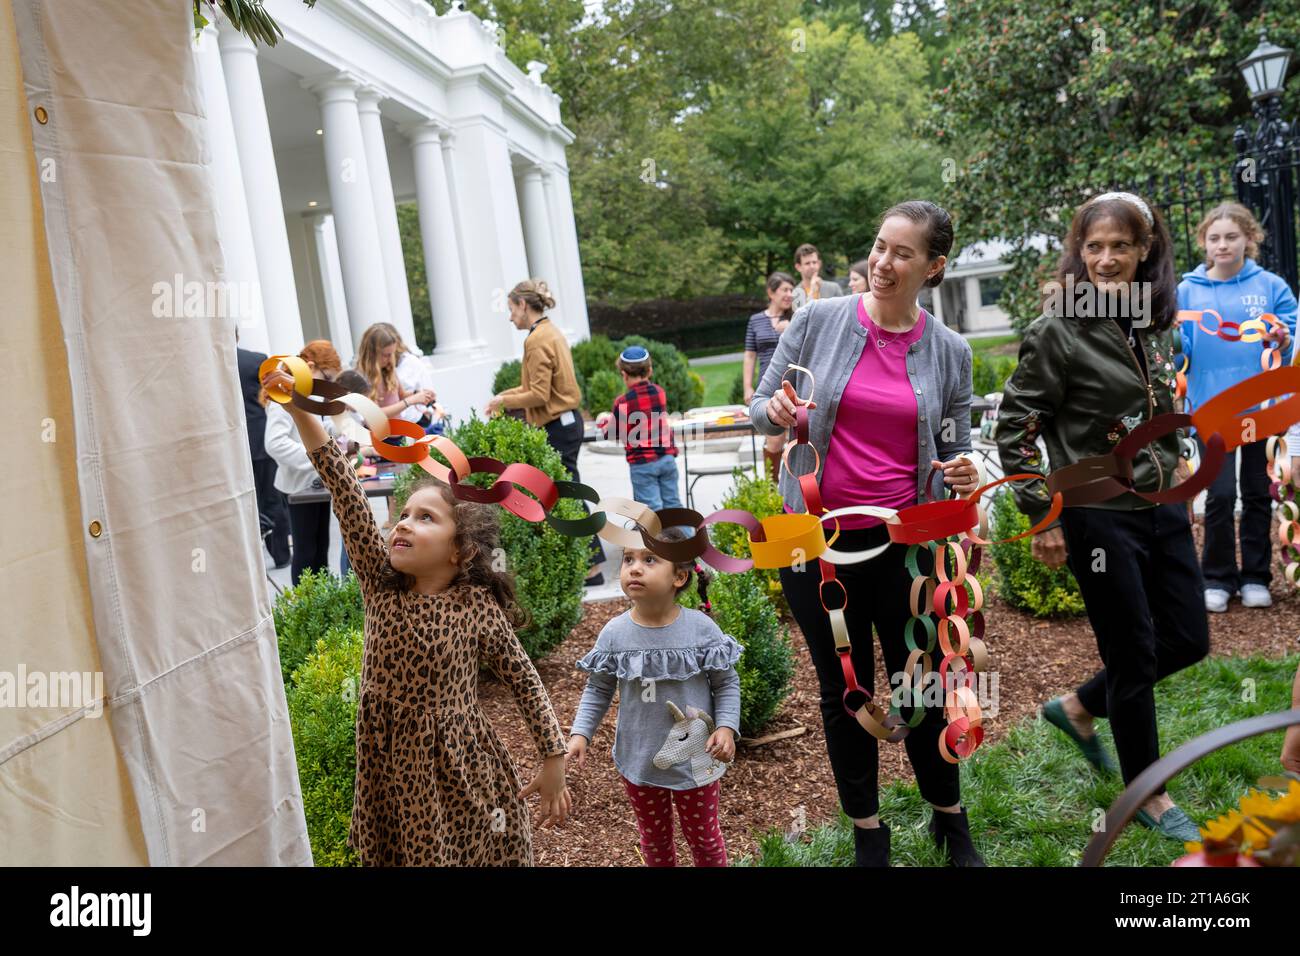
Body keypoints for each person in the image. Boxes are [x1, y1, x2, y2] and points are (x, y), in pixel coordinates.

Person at [260, 362, 572, 865]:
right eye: (403, 515)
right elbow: (343, 485)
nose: (402, 524)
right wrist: (299, 406)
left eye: (424, 518)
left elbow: (524, 679)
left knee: (475, 851)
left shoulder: (475, 608)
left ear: (461, 551)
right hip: (391, 767)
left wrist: (552, 756)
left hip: (463, 767)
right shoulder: (383, 586)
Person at [750, 200, 984, 867]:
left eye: (902, 254)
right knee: (843, 689)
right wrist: (772, 410)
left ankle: (949, 817)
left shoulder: (950, 351)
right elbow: (760, 414)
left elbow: (952, 445)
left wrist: (964, 469)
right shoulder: (818, 322)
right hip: (814, 545)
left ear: (934, 267)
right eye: (880, 247)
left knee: (924, 683)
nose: (883, 263)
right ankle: (868, 832)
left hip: (907, 545)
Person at [996, 190, 1209, 843]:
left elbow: (1154, 400)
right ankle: (1148, 793)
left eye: (1121, 246)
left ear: (1145, 250)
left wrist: (1174, 459)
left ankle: (1079, 706)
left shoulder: (1146, 318)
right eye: (1094, 247)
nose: (1107, 260)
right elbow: (1014, 429)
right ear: (1078, 253)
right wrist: (1044, 514)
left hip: (1156, 503)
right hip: (1095, 511)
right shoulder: (1059, 328)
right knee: (1134, 653)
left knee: (1188, 640)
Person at [567, 528, 741, 867]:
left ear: (679, 576)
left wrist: (726, 727)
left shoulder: (701, 630)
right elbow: (598, 688)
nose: (634, 568)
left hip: (697, 763)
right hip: (640, 761)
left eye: (649, 560)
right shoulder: (615, 633)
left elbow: (726, 683)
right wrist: (580, 732)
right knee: (655, 841)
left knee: (704, 838)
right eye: (628, 559)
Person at [1177, 202, 1296, 613]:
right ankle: (1218, 577)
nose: (1223, 245)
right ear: (1204, 243)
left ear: (1250, 238)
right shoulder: (1187, 290)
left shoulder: (1270, 286)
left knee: (1260, 492)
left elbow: (1291, 334)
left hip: (1263, 406)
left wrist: (1281, 339)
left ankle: (1255, 577)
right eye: (1215, 238)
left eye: (1231, 237)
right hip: (1213, 408)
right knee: (1221, 494)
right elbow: (1180, 351)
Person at [486, 278, 606, 585]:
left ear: (523, 305)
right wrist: (505, 397)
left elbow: (538, 395)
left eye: (511, 309)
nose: (510, 315)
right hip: (567, 421)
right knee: (566, 493)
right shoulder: (549, 331)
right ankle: (588, 564)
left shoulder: (536, 340)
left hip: (558, 426)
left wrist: (504, 401)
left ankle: (592, 567)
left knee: (567, 494)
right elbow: (533, 388)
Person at [263, 340, 343, 586]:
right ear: (309, 366)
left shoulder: (309, 395)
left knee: (321, 548)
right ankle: (306, 606)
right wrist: (315, 456)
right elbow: (274, 443)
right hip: (298, 487)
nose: (328, 383)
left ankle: (323, 603)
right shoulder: (283, 398)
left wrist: (337, 428)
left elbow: (317, 427)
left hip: (315, 483)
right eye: (326, 376)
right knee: (306, 552)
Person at [595, 346, 682, 512]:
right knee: (674, 508)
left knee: (652, 513)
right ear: (649, 371)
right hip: (666, 458)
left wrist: (604, 422)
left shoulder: (623, 402)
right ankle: (687, 538)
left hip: (642, 464)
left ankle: (657, 539)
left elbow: (611, 432)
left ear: (624, 374)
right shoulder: (659, 392)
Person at [236, 331, 289, 568]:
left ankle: (252, 555)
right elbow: (272, 394)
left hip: (236, 442)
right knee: (271, 497)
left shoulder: (213, 364)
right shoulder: (257, 359)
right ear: (237, 335)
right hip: (261, 437)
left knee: (249, 498)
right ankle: (280, 555)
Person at [743, 272, 796, 481]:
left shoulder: (796, 317)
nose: (789, 294)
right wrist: (748, 386)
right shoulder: (756, 320)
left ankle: (797, 487)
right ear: (771, 293)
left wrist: (789, 329)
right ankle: (771, 490)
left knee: (799, 440)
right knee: (774, 441)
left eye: (792, 290)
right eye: (785, 290)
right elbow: (749, 355)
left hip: (794, 385)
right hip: (768, 385)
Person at [372, 321, 449, 436]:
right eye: (386, 355)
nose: (390, 358)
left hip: (413, 424)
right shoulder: (372, 375)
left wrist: (419, 395)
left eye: (391, 354)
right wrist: (412, 400)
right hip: (390, 432)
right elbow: (375, 413)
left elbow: (402, 394)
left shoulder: (409, 363)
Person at [791, 243, 843, 310]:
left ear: (819, 264)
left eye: (814, 262)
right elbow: (800, 318)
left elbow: (843, 315)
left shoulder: (834, 288)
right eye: (807, 263)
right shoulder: (795, 293)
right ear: (798, 267)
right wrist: (812, 291)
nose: (812, 266)